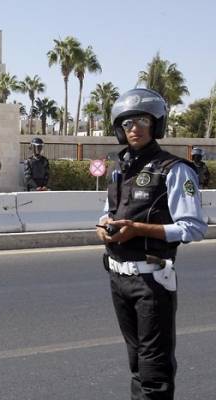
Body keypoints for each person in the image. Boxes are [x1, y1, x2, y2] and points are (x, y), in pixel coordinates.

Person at [96, 88, 207, 400]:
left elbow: (193, 228)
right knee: (136, 363)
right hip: (118, 279)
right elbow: (108, 213)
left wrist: (137, 230)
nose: (135, 128)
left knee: (153, 370)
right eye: (128, 122)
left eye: (143, 120)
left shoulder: (175, 169)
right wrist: (102, 227)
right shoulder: (118, 169)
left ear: (156, 124)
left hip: (152, 281)